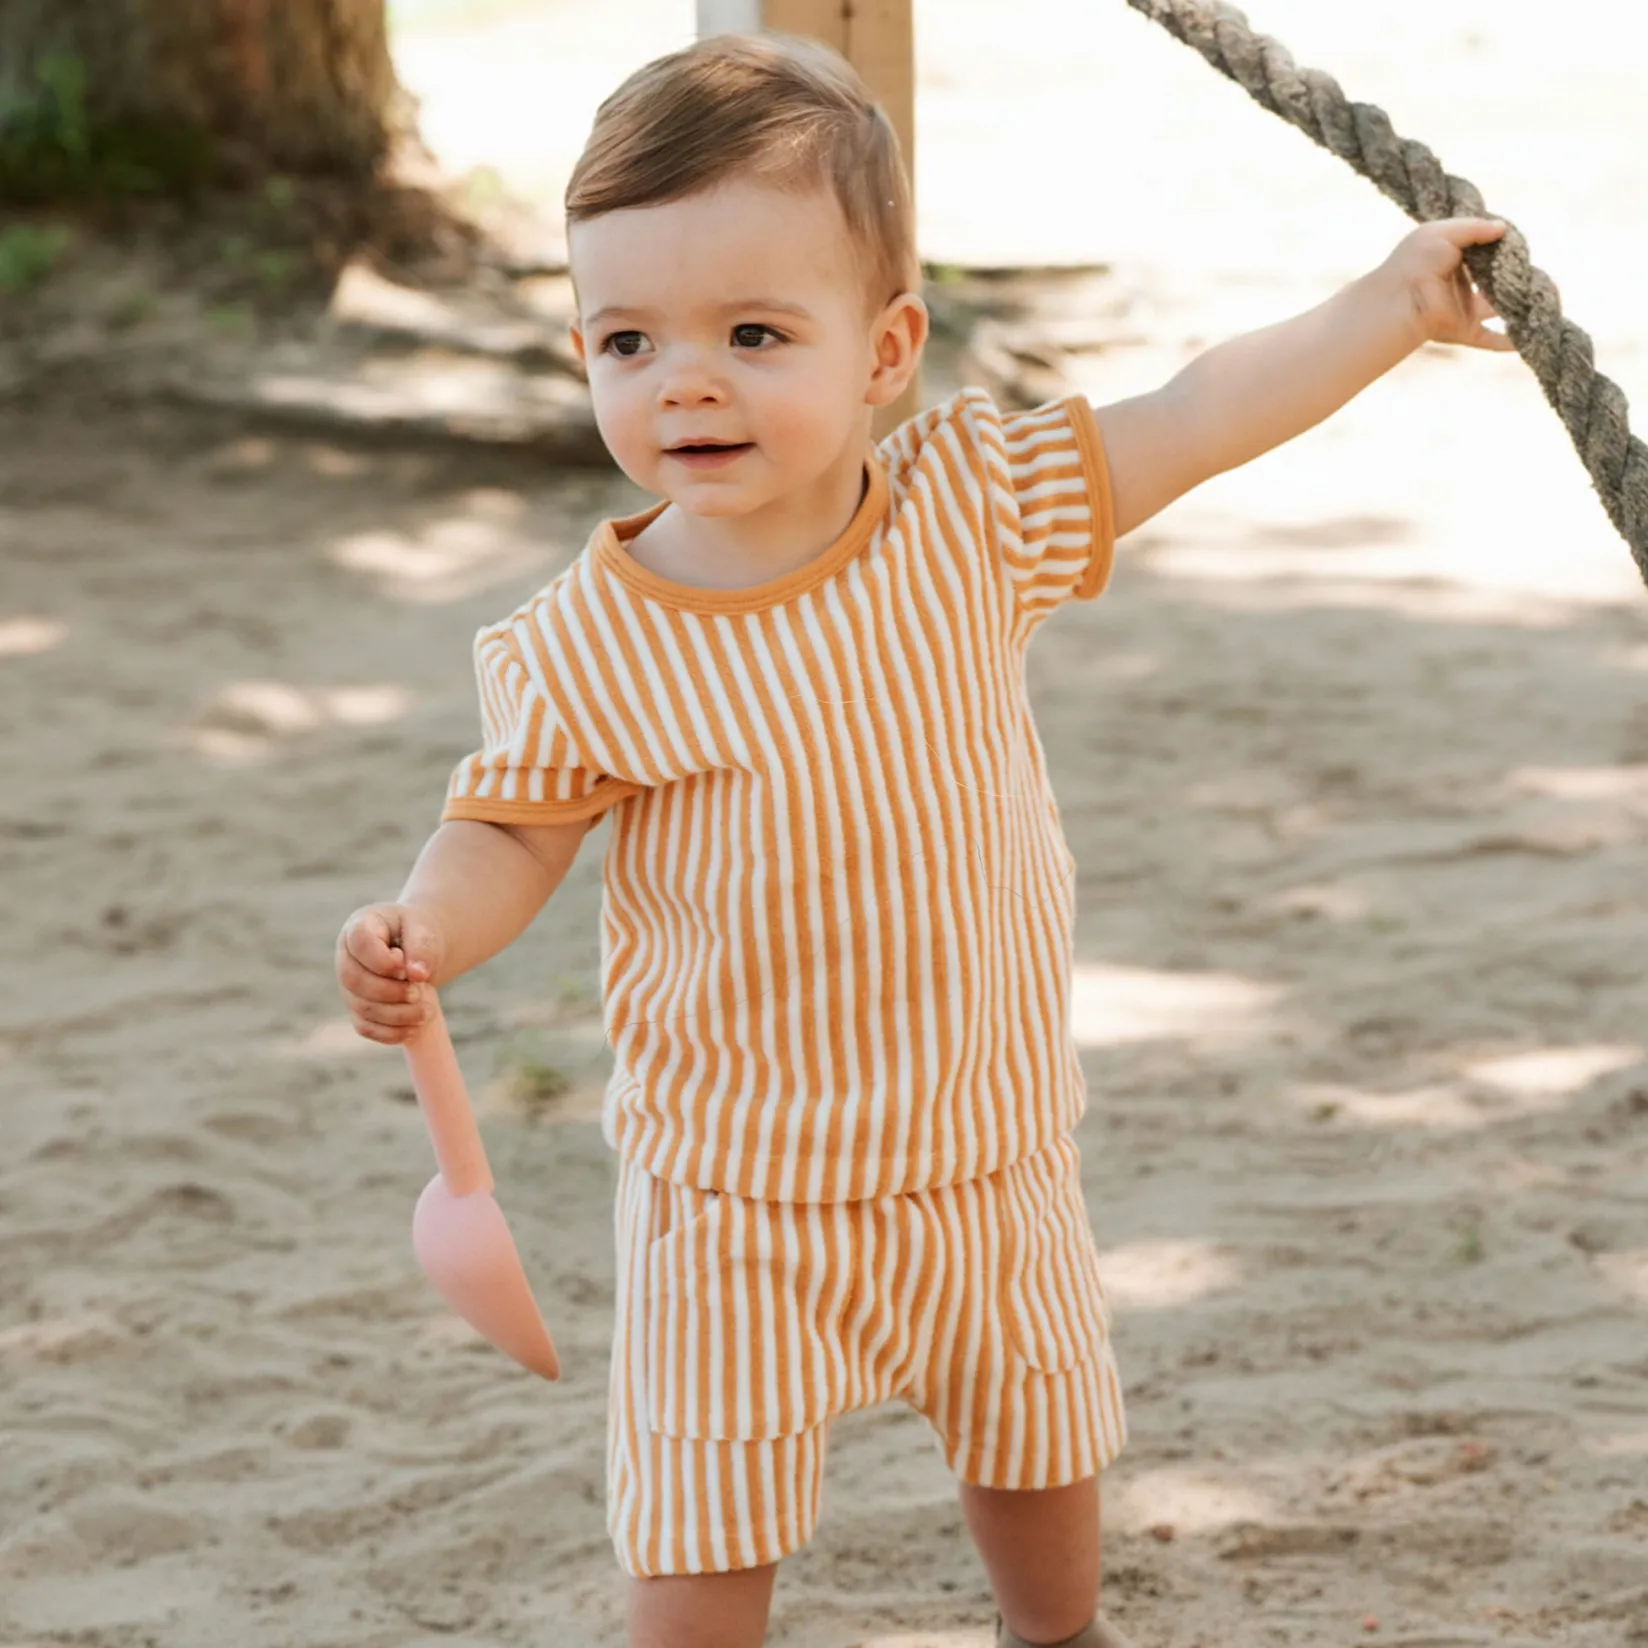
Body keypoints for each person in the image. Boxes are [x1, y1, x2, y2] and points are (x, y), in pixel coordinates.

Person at [333, 30, 1513, 1648]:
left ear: (886, 348)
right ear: (585, 352)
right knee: (697, 1509)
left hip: (982, 1143)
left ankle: (1061, 1633)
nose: (684, 380)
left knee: (1036, 1438)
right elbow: (511, 828)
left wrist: (1391, 310)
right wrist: (429, 926)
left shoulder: (975, 510)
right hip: (736, 1193)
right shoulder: (590, 640)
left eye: (754, 332)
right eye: (628, 340)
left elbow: (1196, 413)